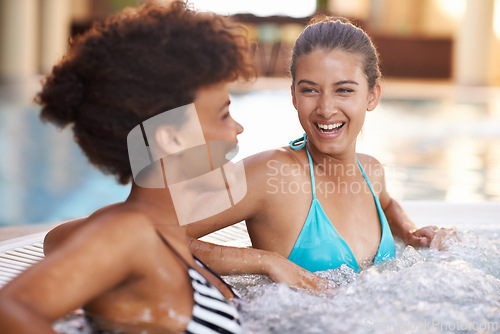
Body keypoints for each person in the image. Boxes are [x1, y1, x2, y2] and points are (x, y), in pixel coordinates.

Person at [0, 3, 327, 334]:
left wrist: (265, 261)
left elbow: (61, 238)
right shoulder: (133, 233)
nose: (237, 129)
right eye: (223, 115)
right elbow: (9, 309)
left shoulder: (159, 237)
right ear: (170, 137)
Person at [186, 16, 438, 273]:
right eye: (310, 90)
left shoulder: (371, 170)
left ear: (372, 96)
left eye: (344, 90)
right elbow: (154, 231)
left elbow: (387, 204)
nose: (326, 109)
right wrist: (268, 263)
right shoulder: (271, 173)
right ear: (294, 95)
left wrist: (409, 230)